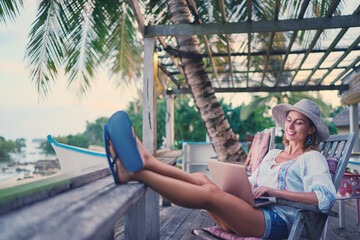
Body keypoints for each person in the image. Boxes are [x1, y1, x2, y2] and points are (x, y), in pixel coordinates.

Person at [106, 99, 336, 239]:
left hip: (276, 223)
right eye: (289, 120)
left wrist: (274, 192)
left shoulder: (312, 158)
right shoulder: (274, 154)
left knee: (209, 194)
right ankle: (147, 161)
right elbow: (253, 181)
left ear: (310, 130)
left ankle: (136, 172)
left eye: (299, 122)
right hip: (250, 212)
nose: (290, 126)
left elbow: (325, 199)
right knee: (200, 178)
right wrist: (241, 185)